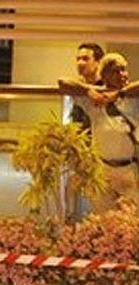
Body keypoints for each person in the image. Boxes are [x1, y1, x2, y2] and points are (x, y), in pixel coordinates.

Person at [60, 53, 139, 212]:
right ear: (104, 76)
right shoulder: (95, 98)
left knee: (131, 220)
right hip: (103, 170)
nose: (121, 75)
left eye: (124, 70)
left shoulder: (132, 97)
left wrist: (119, 94)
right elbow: (62, 82)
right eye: (115, 71)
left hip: (129, 168)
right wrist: (89, 90)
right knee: (103, 217)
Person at [59, 42, 105, 133]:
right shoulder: (75, 86)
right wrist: (87, 89)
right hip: (79, 140)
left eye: (85, 59)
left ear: (99, 62)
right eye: (78, 59)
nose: (80, 63)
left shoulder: (106, 86)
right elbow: (62, 81)